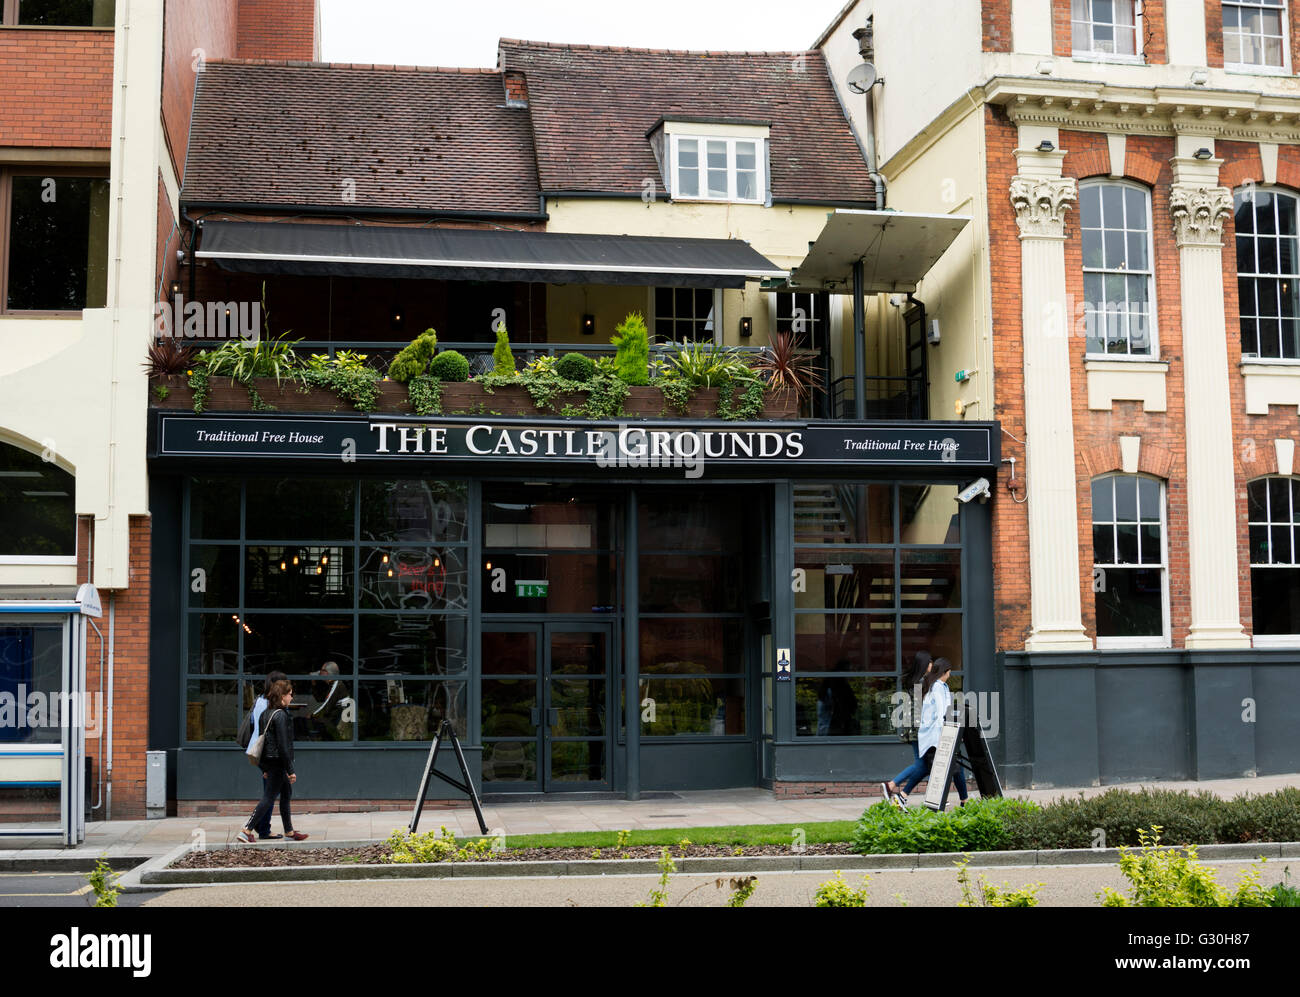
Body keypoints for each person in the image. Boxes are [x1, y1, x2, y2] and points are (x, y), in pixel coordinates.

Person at [882, 657, 969, 807]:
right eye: (950, 672)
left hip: (929, 735)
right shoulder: (936, 687)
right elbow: (941, 713)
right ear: (946, 672)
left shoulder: (931, 685)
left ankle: (962, 801)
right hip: (934, 736)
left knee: (933, 767)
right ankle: (900, 794)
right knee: (940, 767)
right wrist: (949, 734)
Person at [238, 679, 308, 842]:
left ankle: (289, 832)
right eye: (290, 695)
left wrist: (264, 768)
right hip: (277, 763)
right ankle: (246, 830)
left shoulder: (265, 714)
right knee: (269, 797)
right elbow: (283, 747)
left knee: (285, 793)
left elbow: (261, 742)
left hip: (269, 762)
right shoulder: (281, 716)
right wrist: (290, 771)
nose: (291, 698)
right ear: (282, 697)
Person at [246, 671, 287, 840]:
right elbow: (268, 732)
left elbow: (252, 724)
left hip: (259, 750)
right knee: (270, 793)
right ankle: (260, 827)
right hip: (265, 753)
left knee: (271, 791)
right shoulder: (267, 704)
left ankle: (262, 826)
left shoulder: (259, 701)